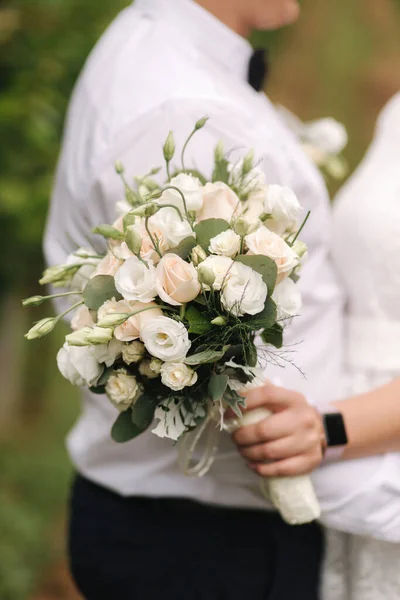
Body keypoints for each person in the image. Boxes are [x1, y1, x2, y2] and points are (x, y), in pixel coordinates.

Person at [44, 0, 344, 598]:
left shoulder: (155, 41)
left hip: (185, 528)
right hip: (211, 541)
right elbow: (216, 356)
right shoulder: (182, 108)